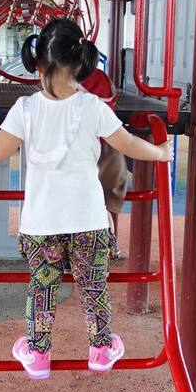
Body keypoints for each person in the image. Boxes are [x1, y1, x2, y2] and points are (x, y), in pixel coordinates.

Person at [0, 18, 173, 381]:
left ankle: (38, 353)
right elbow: (128, 145)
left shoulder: (25, 110)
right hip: (88, 221)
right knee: (94, 286)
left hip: (41, 224)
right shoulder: (94, 108)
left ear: (37, 64)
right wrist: (162, 153)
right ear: (81, 66)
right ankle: (102, 349)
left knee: (42, 285)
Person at [81, 67, 127, 259]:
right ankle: (109, 249)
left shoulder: (62, 78)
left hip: (83, 150)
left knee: (78, 202)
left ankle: (74, 254)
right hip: (110, 147)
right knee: (104, 207)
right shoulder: (101, 77)